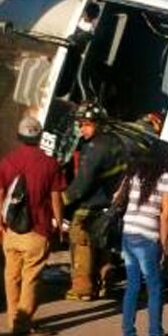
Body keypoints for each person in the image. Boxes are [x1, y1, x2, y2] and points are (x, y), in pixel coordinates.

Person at [0, 116, 66, 336]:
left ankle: (12, 319)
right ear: (39, 137)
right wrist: (59, 224)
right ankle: (22, 323)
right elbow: (56, 198)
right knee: (31, 277)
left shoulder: (8, 161)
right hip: (38, 229)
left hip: (11, 229)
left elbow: (0, 195)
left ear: (20, 136)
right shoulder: (50, 164)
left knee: (11, 275)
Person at [119, 138, 168, 336]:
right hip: (147, 237)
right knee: (154, 288)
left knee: (133, 286)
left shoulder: (136, 173)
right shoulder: (167, 177)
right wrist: (164, 244)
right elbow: (165, 215)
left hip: (128, 232)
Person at [62, 101, 126, 301]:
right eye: (80, 124)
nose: (82, 129)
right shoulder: (116, 142)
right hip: (111, 206)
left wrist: (62, 201)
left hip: (90, 206)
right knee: (103, 246)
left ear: (98, 123)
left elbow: (82, 184)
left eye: (86, 124)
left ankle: (82, 289)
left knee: (82, 244)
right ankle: (104, 283)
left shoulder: (94, 148)